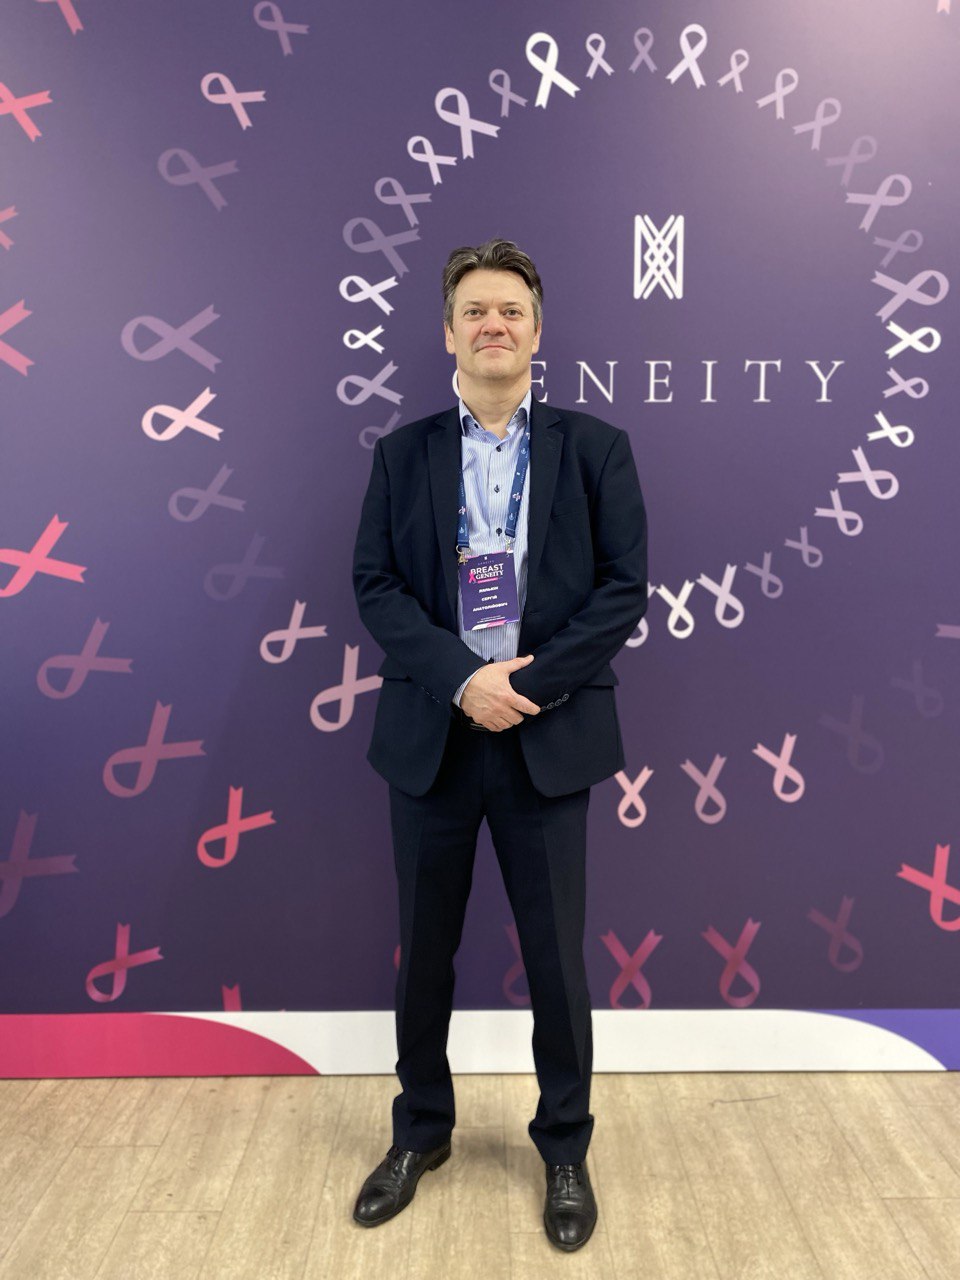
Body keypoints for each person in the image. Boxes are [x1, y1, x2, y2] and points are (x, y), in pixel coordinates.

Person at [351, 238, 648, 1252]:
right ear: (448, 333)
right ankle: (419, 1132)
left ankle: (564, 1146)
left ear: (536, 330)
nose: (494, 325)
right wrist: (463, 679)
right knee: (423, 955)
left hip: (547, 736)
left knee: (556, 960)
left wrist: (523, 685)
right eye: (475, 310)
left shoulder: (596, 448)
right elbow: (376, 586)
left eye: (511, 311)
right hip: (432, 737)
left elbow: (621, 590)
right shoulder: (402, 455)